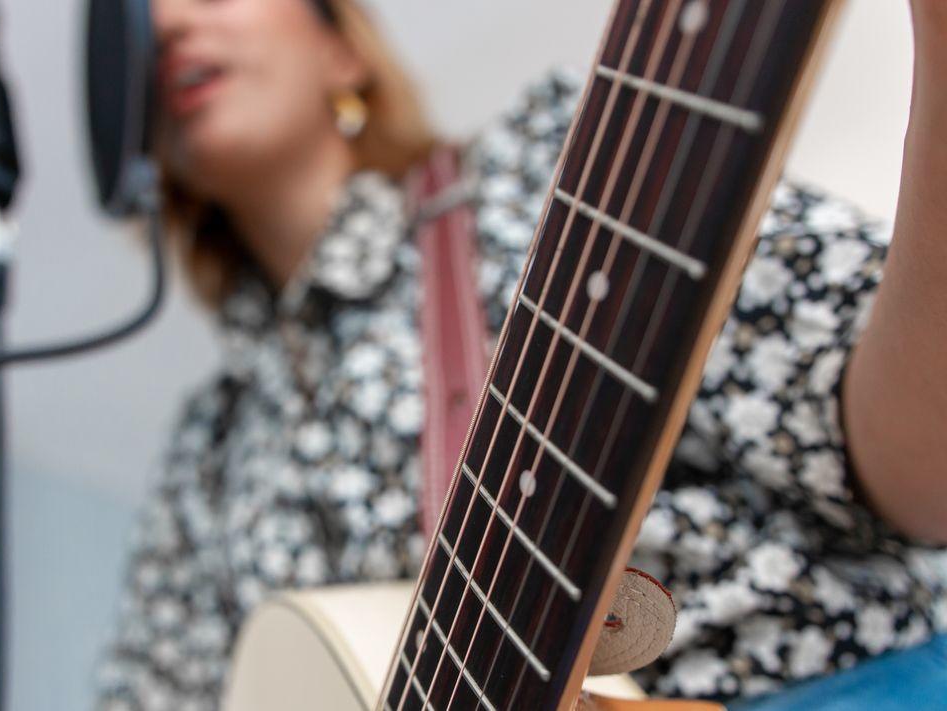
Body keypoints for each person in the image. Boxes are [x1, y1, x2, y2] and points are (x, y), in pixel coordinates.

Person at [94, 1, 947, 708]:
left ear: (342, 50)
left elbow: (924, 471)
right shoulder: (206, 449)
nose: (168, 21)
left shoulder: (547, 172)